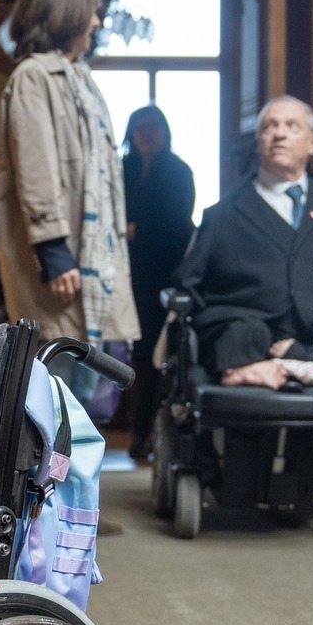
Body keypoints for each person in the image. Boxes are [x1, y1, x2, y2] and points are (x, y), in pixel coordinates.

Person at [0, 0, 138, 401]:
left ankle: (74, 451)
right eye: (91, 12)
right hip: (62, 260)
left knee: (81, 391)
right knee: (55, 393)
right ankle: (58, 453)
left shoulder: (80, 78)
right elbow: (35, 167)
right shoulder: (33, 77)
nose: (96, 22)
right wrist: (54, 253)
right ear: (65, 15)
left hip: (91, 261)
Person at [171, 96, 313, 391]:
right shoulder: (223, 214)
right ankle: (245, 368)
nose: (280, 133)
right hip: (244, 335)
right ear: (259, 142)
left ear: (312, 143)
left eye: (292, 126)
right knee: (242, 332)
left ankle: (290, 359)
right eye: (270, 126)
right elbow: (187, 282)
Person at [122, 104, 196, 455]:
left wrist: (135, 231)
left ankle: (147, 434)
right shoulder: (122, 169)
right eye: (140, 127)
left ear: (165, 131)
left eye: (153, 126)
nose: (147, 133)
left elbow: (179, 225)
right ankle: (137, 433)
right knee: (135, 353)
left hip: (164, 275)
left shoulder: (178, 170)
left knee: (155, 354)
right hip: (127, 273)